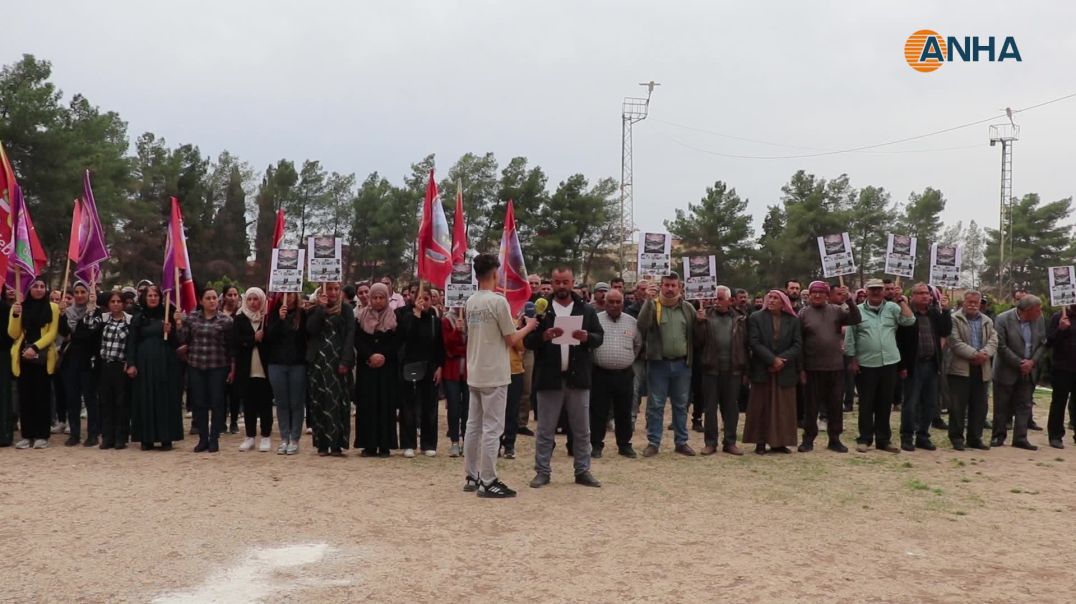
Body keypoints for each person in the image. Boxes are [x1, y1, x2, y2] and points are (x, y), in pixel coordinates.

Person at [463, 253, 537, 498]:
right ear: (495, 273)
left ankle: (472, 475)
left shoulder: (470, 301)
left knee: (473, 426)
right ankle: (488, 480)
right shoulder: (498, 302)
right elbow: (511, 338)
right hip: (494, 372)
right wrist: (528, 326)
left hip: (475, 371)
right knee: (493, 428)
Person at [525, 266, 603, 487]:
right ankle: (542, 471)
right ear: (552, 281)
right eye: (557, 282)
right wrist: (544, 336)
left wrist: (587, 337)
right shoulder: (542, 309)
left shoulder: (586, 310)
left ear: (572, 282)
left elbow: (599, 337)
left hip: (578, 378)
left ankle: (583, 470)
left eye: (565, 282)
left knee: (581, 430)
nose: (561, 286)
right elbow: (527, 341)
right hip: (549, 378)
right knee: (545, 430)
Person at [845, 278, 915, 453]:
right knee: (866, 403)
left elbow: (909, 321)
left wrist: (901, 300)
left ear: (884, 291)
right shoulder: (857, 311)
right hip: (866, 364)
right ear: (866, 292)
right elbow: (850, 337)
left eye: (879, 289)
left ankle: (884, 440)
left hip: (889, 363)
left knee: (885, 403)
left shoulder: (892, 308)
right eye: (872, 289)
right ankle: (865, 439)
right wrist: (852, 359)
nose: (876, 292)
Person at [637, 272, 697, 457]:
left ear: (680, 287)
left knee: (681, 405)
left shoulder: (688, 309)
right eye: (667, 285)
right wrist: (648, 301)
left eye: (674, 286)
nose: (670, 289)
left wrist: (703, 320)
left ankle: (682, 442)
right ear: (661, 286)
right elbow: (642, 326)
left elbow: (696, 333)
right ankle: (653, 442)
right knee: (656, 404)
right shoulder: (654, 305)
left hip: (682, 365)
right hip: (658, 364)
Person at [798, 281, 860, 453]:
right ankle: (808, 439)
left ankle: (834, 439)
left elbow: (856, 319)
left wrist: (850, 301)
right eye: (813, 293)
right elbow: (799, 343)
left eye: (820, 293)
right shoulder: (803, 314)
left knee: (835, 405)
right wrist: (801, 369)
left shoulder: (837, 310)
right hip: (812, 368)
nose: (817, 296)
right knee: (811, 407)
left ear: (827, 295)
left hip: (835, 367)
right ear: (809, 295)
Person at [743, 290, 802, 454]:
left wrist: (781, 360)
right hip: (763, 368)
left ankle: (780, 442)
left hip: (784, 370)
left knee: (783, 408)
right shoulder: (756, 318)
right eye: (770, 298)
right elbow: (754, 342)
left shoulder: (793, 320)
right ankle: (760, 442)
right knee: (761, 406)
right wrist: (772, 360)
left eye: (776, 298)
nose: (771, 300)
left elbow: (797, 345)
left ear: (783, 302)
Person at [177, 287, 235, 453]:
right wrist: (179, 325)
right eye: (208, 298)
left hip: (218, 366)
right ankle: (203, 438)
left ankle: (214, 438)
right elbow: (183, 340)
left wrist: (232, 367)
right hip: (196, 365)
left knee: (217, 403)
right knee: (199, 403)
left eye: (214, 298)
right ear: (201, 301)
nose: (212, 301)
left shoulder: (226, 321)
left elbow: (231, 347)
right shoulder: (192, 319)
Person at [895, 282, 952, 452]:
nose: (925, 296)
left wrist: (947, 310)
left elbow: (945, 330)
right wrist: (902, 365)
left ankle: (923, 436)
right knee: (911, 403)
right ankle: (907, 437)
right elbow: (899, 342)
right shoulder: (905, 313)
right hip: (913, 365)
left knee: (930, 404)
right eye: (920, 293)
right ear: (912, 296)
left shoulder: (934, 313)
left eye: (927, 293)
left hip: (931, 364)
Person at [127, 285, 183, 451]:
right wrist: (131, 364)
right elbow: (132, 343)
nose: (153, 298)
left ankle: (166, 437)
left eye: (156, 295)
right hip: (144, 365)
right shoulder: (138, 317)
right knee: (145, 399)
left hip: (166, 364)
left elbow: (175, 343)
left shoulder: (167, 317)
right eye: (150, 295)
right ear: (145, 297)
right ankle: (147, 438)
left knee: (165, 399)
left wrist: (173, 329)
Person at [693, 285, 747, 456]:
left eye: (720, 298)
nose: (716, 302)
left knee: (731, 407)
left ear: (730, 301)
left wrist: (745, 369)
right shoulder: (706, 316)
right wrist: (699, 323)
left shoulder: (741, 318)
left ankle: (730, 442)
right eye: (715, 298)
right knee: (709, 408)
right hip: (711, 369)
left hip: (733, 370)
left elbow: (746, 344)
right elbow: (697, 343)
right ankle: (710, 442)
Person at [9, 278, 61, 449]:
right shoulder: (20, 306)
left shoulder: (52, 308)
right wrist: (16, 315)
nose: (39, 290)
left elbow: (52, 333)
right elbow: (14, 333)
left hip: (42, 356)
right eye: (35, 286)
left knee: (42, 396)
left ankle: (42, 435)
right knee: (26, 397)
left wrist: (35, 348)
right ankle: (27, 435)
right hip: (23, 356)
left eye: (42, 287)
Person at [991, 295, 1046, 450]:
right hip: (1006, 369)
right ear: (1026, 311)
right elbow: (1000, 346)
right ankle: (998, 436)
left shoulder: (1039, 319)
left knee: (1024, 404)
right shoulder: (1002, 319)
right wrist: (1019, 363)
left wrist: (1032, 362)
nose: (1040, 313)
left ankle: (1020, 438)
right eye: (1037, 310)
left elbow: (1043, 343)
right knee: (1002, 405)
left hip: (1029, 369)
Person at [591, 288, 641, 458]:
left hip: (624, 375)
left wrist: (625, 360)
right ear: (604, 303)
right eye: (610, 302)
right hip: (600, 374)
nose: (614, 305)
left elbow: (637, 345)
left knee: (624, 412)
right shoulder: (595, 320)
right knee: (598, 412)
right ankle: (596, 445)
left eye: (618, 302)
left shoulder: (632, 322)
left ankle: (625, 445)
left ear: (623, 303)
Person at [306, 281, 355, 456]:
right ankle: (322, 444)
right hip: (318, 363)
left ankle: (336, 444)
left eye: (336, 289)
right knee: (319, 401)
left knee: (338, 402)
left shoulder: (346, 309)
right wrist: (320, 308)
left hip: (338, 363)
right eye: (329, 289)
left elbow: (350, 335)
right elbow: (311, 330)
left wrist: (346, 361)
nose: (333, 293)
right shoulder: (314, 309)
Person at [396, 287, 444, 457]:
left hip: (430, 366)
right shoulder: (404, 316)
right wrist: (415, 314)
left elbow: (440, 345)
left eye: (427, 298)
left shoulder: (435, 319)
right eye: (420, 298)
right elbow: (404, 337)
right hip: (409, 366)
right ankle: (408, 444)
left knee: (430, 406)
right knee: (408, 407)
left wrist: (439, 366)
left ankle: (428, 443)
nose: (424, 301)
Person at [946, 291, 997, 451]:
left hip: (982, 368)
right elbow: (955, 341)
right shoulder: (954, 318)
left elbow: (994, 340)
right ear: (963, 302)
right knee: (958, 406)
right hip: (960, 369)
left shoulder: (987, 321)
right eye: (970, 302)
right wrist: (974, 354)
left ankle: (975, 438)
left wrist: (985, 354)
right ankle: (957, 438)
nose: (973, 305)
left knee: (979, 406)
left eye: (976, 302)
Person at [355, 283, 398, 458]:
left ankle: (385, 445)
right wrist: (370, 356)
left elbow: (396, 341)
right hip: (367, 368)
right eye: (375, 297)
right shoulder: (361, 316)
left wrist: (382, 356)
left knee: (385, 405)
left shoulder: (393, 317)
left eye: (381, 297)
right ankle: (369, 444)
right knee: (367, 405)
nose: (378, 301)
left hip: (386, 369)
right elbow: (357, 340)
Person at [87, 291, 133, 449]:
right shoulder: (104, 319)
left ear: (123, 303)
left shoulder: (129, 321)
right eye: (112, 301)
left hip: (121, 365)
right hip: (105, 365)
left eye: (118, 301)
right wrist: (91, 307)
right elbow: (89, 324)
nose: (115, 304)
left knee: (121, 403)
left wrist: (130, 361)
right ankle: (107, 437)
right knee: (106, 402)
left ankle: (121, 437)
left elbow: (133, 343)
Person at [58, 281, 100, 447]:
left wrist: (75, 334)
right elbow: (63, 332)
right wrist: (62, 316)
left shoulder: (96, 313)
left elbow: (90, 335)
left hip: (88, 361)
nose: (80, 295)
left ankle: (93, 434)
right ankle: (74, 433)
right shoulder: (66, 312)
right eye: (77, 292)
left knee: (90, 399)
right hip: (70, 360)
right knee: (72, 398)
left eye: (83, 291)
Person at [264, 292, 307, 455]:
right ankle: (284, 438)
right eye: (284, 296)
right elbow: (269, 337)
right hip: (276, 363)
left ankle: (295, 439)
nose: (288, 299)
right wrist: (280, 320)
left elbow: (305, 335)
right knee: (281, 403)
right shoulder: (273, 314)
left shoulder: (302, 314)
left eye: (291, 296)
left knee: (296, 403)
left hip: (297, 364)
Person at [233, 287, 274, 452]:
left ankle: (266, 436)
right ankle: (249, 436)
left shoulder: (268, 319)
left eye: (256, 299)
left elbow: (273, 341)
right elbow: (235, 341)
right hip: (246, 369)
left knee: (265, 404)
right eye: (249, 299)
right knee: (249, 405)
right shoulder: (240, 318)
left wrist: (265, 337)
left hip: (265, 369)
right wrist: (252, 339)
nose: (252, 302)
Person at [1046, 304, 1076, 448]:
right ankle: (1055, 436)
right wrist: (1061, 329)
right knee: (1059, 403)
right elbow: (1049, 341)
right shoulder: (1058, 317)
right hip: (1061, 368)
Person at [441, 305, 468, 457]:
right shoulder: (446, 320)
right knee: (453, 407)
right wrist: (456, 330)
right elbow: (447, 345)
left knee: (468, 408)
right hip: (452, 370)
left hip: (470, 371)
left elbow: (474, 345)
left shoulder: (473, 318)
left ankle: (467, 441)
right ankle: (454, 442)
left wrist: (459, 350)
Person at [0, 287, 14, 447]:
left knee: (3, 394)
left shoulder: (5, 308)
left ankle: (4, 433)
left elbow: (9, 335)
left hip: (2, 354)